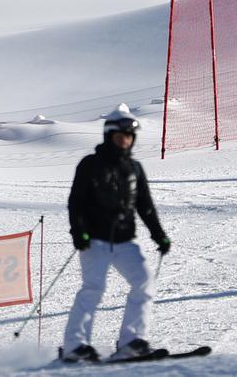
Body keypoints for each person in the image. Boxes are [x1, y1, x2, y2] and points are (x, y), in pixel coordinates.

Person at [61, 105, 171, 363]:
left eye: (129, 137)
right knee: (93, 289)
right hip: (95, 241)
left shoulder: (135, 168)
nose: (125, 141)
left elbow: (145, 206)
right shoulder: (90, 164)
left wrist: (159, 235)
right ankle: (74, 347)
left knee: (144, 283)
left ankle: (131, 341)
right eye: (120, 136)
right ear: (109, 136)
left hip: (124, 241)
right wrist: (79, 232)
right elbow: (75, 201)